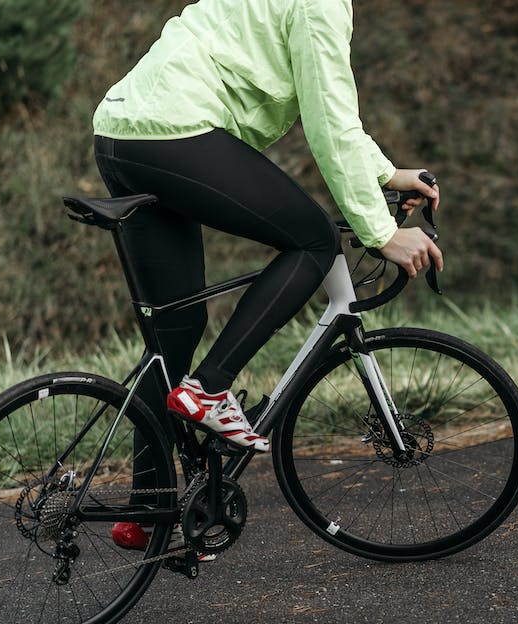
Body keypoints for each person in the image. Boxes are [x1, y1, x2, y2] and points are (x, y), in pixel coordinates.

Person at [91, 0, 442, 456]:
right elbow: (331, 124)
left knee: (177, 327)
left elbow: (334, 122)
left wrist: (387, 174)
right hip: (178, 128)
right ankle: (210, 389)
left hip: (121, 134)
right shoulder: (321, 6)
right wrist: (382, 233)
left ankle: (143, 515)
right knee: (315, 240)